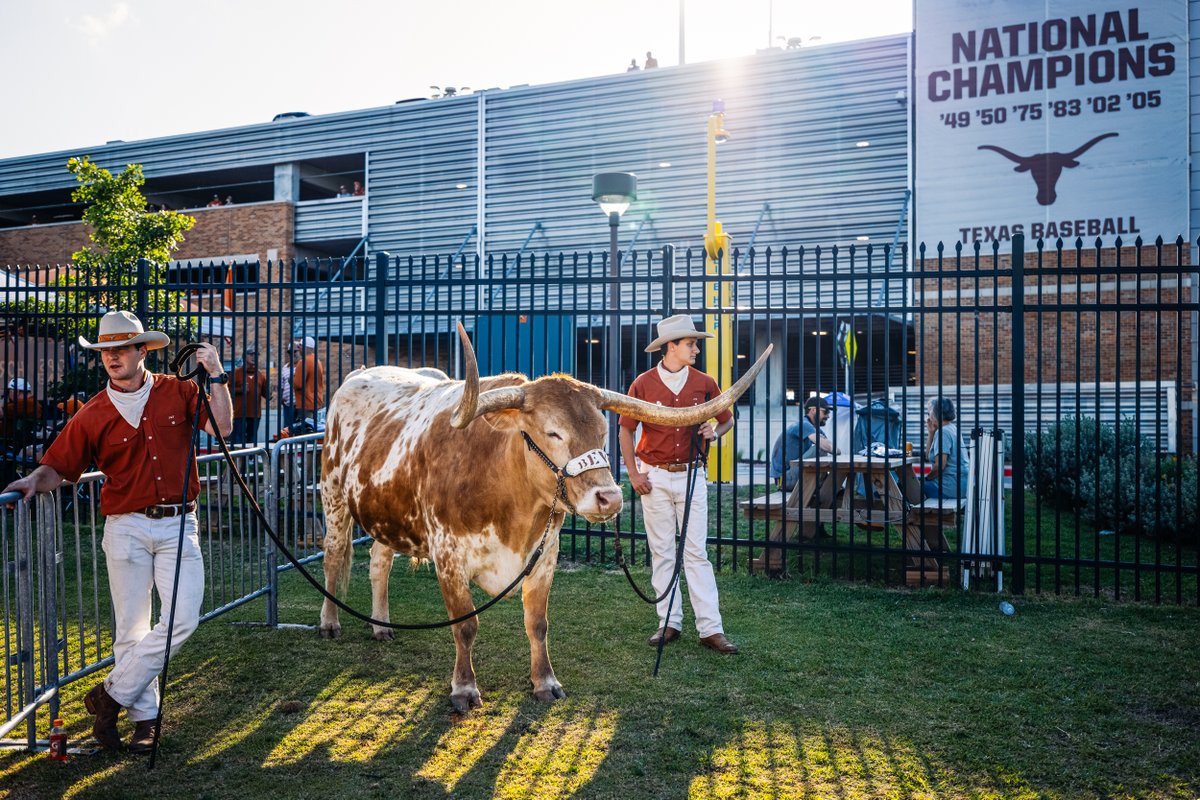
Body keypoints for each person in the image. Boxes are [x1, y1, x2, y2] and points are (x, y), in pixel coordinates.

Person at [1, 310, 232, 754]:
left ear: (142, 350)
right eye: (106, 350)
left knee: (183, 618)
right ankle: (144, 720)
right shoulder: (93, 413)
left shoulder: (179, 391)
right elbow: (59, 467)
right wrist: (34, 480)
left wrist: (217, 376)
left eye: (122, 349)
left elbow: (221, 428)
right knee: (130, 629)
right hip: (125, 527)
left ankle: (109, 696)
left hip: (178, 522)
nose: (112, 357)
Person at [618, 314, 738, 655]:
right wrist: (634, 473)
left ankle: (710, 629)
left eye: (694, 343)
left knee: (696, 552)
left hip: (692, 474)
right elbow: (626, 429)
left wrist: (714, 431)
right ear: (671, 347)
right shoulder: (642, 384)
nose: (696, 349)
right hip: (654, 476)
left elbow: (726, 420)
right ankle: (669, 621)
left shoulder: (704, 382)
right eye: (690, 344)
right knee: (662, 551)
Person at [768, 395, 836, 492]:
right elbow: (829, 447)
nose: (828, 416)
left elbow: (833, 448)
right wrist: (830, 447)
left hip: (791, 475)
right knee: (820, 449)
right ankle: (825, 486)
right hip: (785, 479)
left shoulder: (814, 429)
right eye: (825, 412)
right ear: (813, 410)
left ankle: (826, 487)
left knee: (821, 447)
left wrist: (831, 448)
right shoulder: (804, 425)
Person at [922, 398, 969, 499]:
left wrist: (927, 479)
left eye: (928, 412)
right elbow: (928, 457)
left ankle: (911, 514)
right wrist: (931, 433)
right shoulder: (951, 428)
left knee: (907, 486)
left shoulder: (943, 433)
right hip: (959, 486)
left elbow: (940, 466)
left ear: (936, 414)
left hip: (949, 488)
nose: (928, 417)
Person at [230, 345, 269, 445]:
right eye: (251, 354)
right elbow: (226, 390)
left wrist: (270, 394)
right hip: (239, 414)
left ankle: (250, 460)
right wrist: (240, 390)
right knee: (239, 440)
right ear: (244, 357)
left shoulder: (260, 375)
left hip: (255, 414)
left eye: (256, 355)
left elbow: (266, 393)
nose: (254, 357)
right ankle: (238, 460)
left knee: (252, 440)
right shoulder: (236, 373)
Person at [291, 337, 325, 425]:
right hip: (316, 402)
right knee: (314, 430)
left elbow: (298, 384)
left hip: (305, 403)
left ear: (305, 347)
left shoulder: (303, 362)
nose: (299, 349)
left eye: (300, 346)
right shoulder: (317, 361)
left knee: (304, 431)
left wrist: (290, 380)